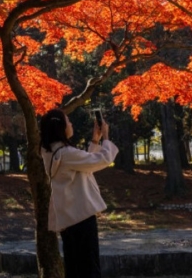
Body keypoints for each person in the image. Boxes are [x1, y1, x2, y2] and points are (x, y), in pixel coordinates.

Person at [40, 108, 118, 278]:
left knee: (75, 267)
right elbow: (101, 160)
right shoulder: (67, 154)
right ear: (61, 128)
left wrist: (94, 141)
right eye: (68, 121)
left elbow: (84, 165)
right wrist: (105, 137)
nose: (71, 124)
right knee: (89, 267)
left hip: (69, 217)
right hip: (82, 217)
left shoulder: (49, 152)